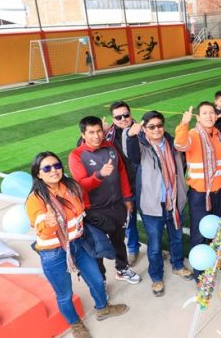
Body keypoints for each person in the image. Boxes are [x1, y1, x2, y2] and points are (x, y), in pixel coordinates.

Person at [26, 151, 127, 338]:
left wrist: (99, 175)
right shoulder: (35, 199)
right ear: (38, 174)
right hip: (54, 253)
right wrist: (49, 222)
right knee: (65, 294)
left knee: (96, 280)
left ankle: (103, 308)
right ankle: (76, 325)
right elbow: (41, 228)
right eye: (47, 168)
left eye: (56, 166)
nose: (53, 170)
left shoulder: (70, 186)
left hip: (79, 244)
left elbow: (83, 198)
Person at [125, 111, 193, 297]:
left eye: (159, 125)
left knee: (176, 238)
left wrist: (184, 124)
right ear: (144, 129)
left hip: (174, 202)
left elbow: (183, 161)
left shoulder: (172, 144)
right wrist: (131, 136)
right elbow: (132, 155)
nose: (156, 129)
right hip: (152, 205)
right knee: (154, 245)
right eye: (151, 126)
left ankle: (178, 265)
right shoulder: (140, 147)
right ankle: (156, 277)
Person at [69, 116, 141, 285]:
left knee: (119, 241)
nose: (96, 136)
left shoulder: (110, 146)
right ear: (83, 134)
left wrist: (127, 198)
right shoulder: (76, 155)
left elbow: (122, 172)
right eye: (91, 132)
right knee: (98, 247)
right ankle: (100, 279)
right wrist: (99, 175)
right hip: (94, 210)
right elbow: (81, 185)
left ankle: (122, 269)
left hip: (117, 206)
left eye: (99, 131)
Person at [174, 102, 221, 281]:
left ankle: (212, 262)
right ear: (198, 117)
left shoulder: (218, 135)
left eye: (211, 112)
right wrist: (183, 124)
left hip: (219, 193)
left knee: (216, 230)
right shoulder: (193, 134)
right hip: (200, 195)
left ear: (216, 115)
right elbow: (180, 145)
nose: (209, 116)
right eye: (204, 113)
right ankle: (200, 274)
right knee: (198, 233)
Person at [104, 102, 141, 265]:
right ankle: (133, 249)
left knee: (151, 220)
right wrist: (101, 130)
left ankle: (154, 248)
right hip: (124, 187)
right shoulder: (108, 136)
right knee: (129, 220)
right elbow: (82, 144)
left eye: (126, 115)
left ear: (130, 114)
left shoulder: (142, 129)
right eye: (118, 117)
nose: (123, 119)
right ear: (113, 119)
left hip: (145, 184)